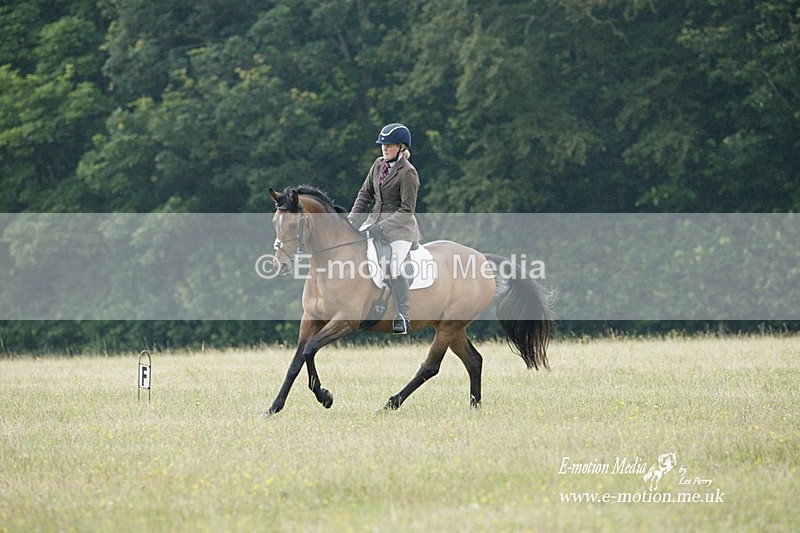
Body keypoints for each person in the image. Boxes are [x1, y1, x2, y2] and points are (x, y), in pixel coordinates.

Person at [348, 123, 421, 334]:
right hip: (373, 222)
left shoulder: (408, 173)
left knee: (394, 267)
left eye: (389, 145)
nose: (384, 148)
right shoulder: (378, 164)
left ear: (401, 147)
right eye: (383, 145)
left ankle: (403, 316)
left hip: (400, 230)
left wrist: (382, 227)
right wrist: (352, 220)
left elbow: (407, 209)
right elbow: (365, 194)